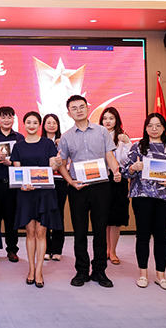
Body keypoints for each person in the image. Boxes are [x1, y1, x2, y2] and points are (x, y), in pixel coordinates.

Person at [57, 95, 121, 288]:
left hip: (101, 187)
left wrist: (116, 171)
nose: (79, 110)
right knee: (80, 231)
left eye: (81, 106)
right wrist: (70, 182)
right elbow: (61, 164)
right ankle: (82, 271)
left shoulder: (102, 132)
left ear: (87, 108)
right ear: (69, 113)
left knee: (100, 230)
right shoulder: (66, 137)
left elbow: (109, 156)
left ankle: (99, 271)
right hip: (78, 188)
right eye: (74, 108)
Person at [123, 113, 166, 290]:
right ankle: (143, 274)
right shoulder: (137, 147)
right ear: (145, 128)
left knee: (161, 236)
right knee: (143, 235)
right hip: (142, 196)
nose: (154, 129)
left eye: (158, 125)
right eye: (150, 125)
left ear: (164, 128)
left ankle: (161, 276)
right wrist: (133, 167)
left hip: (165, 197)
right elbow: (125, 172)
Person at [11, 111, 63, 288]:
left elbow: (52, 167)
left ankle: (39, 270)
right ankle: (31, 269)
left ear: (39, 125)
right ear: (24, 124)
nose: (31, 125)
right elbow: (17, 171)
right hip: (26, 194)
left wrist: (58, 161)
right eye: (28, 122)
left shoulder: (47, 143)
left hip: (44, 194)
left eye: (35, 122)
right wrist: (22, 185)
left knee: (41, 233)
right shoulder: (18, 146)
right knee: (30, 233)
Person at [0, 106, 25, 263]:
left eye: (9, 117)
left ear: (13, 119)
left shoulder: (20, 138)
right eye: (3, 117)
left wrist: (9, 163)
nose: (6, 120)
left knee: (12, 219)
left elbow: (23, 160)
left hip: (13, 184)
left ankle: (12, 249)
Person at [99, 107, 131, 265]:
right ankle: (105, 249)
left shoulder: (123, 138)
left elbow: (126, 160)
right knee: (103, 216)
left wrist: (126, 143)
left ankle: (112, 251)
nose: (108, 121)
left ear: (116, 120)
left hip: (118, 180)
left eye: (111, 118)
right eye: (105, 118)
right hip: (101, 179)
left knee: (116, 218)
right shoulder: (96, 136)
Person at [41, 114, 67, 261]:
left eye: (54, 123)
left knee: (58, 214)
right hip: (43, 181)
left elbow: (68, 160)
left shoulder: (63, 141)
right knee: (44, 214)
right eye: (48, 123)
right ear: (43, 125)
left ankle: (57, 249)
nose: (51, 125)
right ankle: (46, 248)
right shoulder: (39, 142)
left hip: (60, 181)